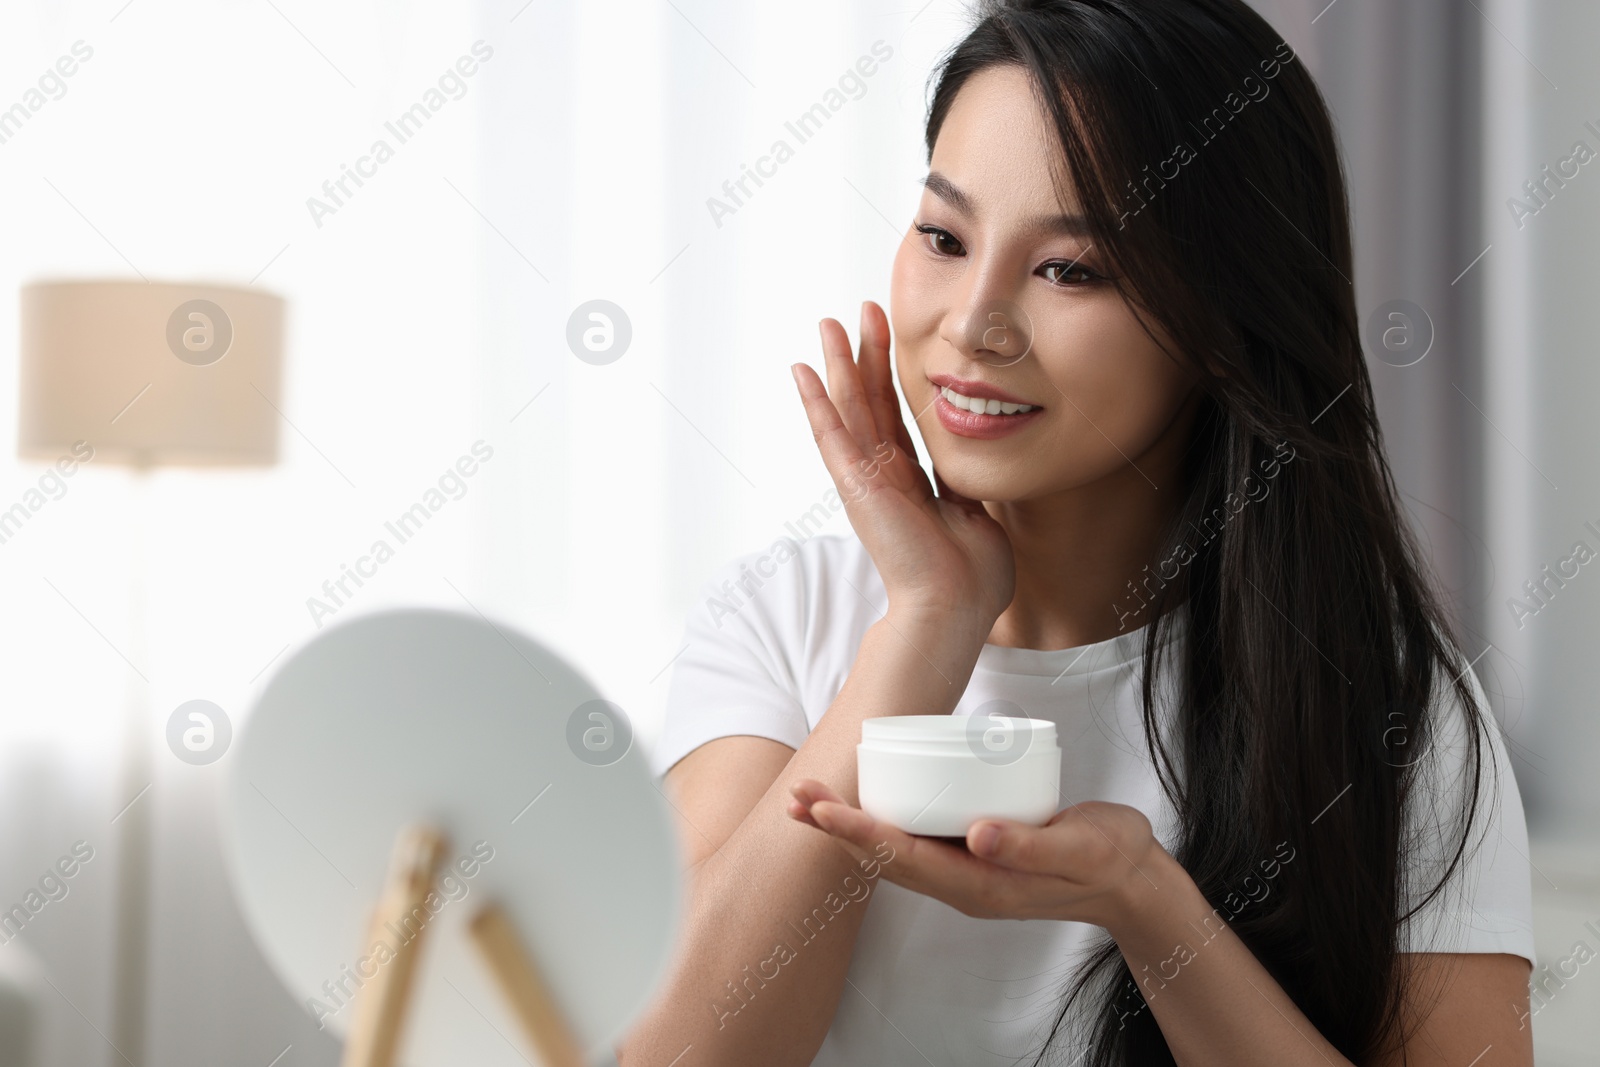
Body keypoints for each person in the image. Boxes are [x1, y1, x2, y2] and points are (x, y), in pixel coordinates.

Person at [619, 1, 1534, 1063]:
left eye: (1071, 269)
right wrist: (927, 620)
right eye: (943, 238)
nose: (972, 323)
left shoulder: (1386, 702)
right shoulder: (787, 621)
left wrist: (1150, 907)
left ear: (1224, 323)